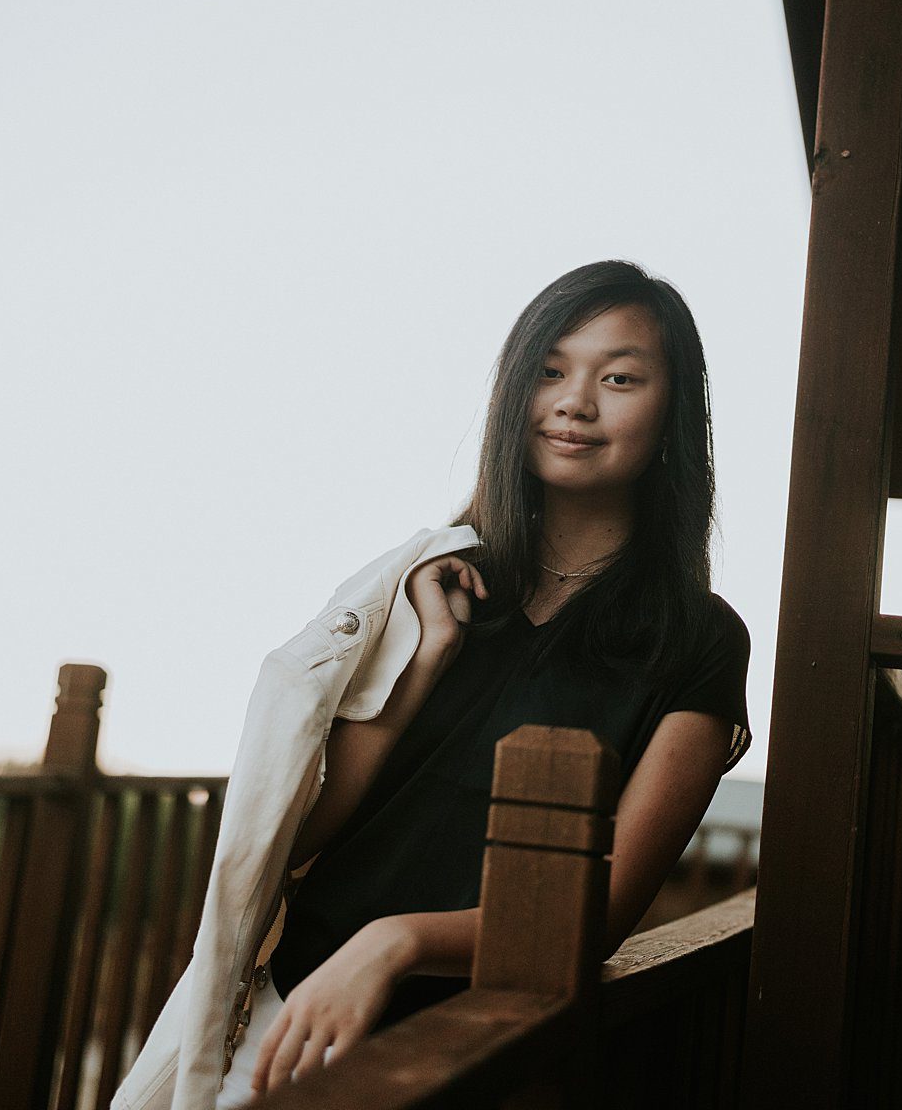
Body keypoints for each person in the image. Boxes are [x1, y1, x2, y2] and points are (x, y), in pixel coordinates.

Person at [219, 260, 753, 1104]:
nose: (575, 402)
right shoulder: (433, 577)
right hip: (297, 1009)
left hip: (481, 1041)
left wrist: (394, 942)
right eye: (550, 370)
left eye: (618, 378)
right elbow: (308, 826)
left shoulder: (698, 639)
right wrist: (424, 658)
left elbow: (602, 911)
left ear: (673, 410)